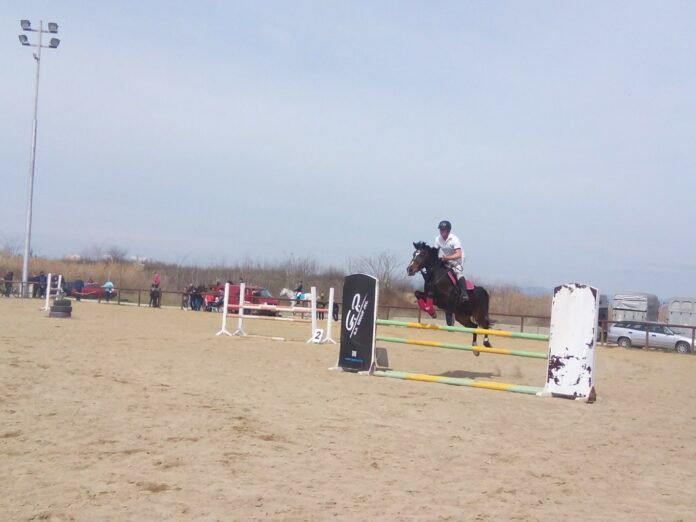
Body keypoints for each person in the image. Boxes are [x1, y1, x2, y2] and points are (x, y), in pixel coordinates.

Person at [435, 219, 468, 304]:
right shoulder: (438, 239)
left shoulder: (454, 239)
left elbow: (458, 254)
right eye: (440, 229)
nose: (441, 231)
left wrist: (447, 258)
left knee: (458, 273)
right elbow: (434, 252)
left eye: (443, 230)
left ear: (448, 230)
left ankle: (464, 293)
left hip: (458, 259)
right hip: (447, 258)